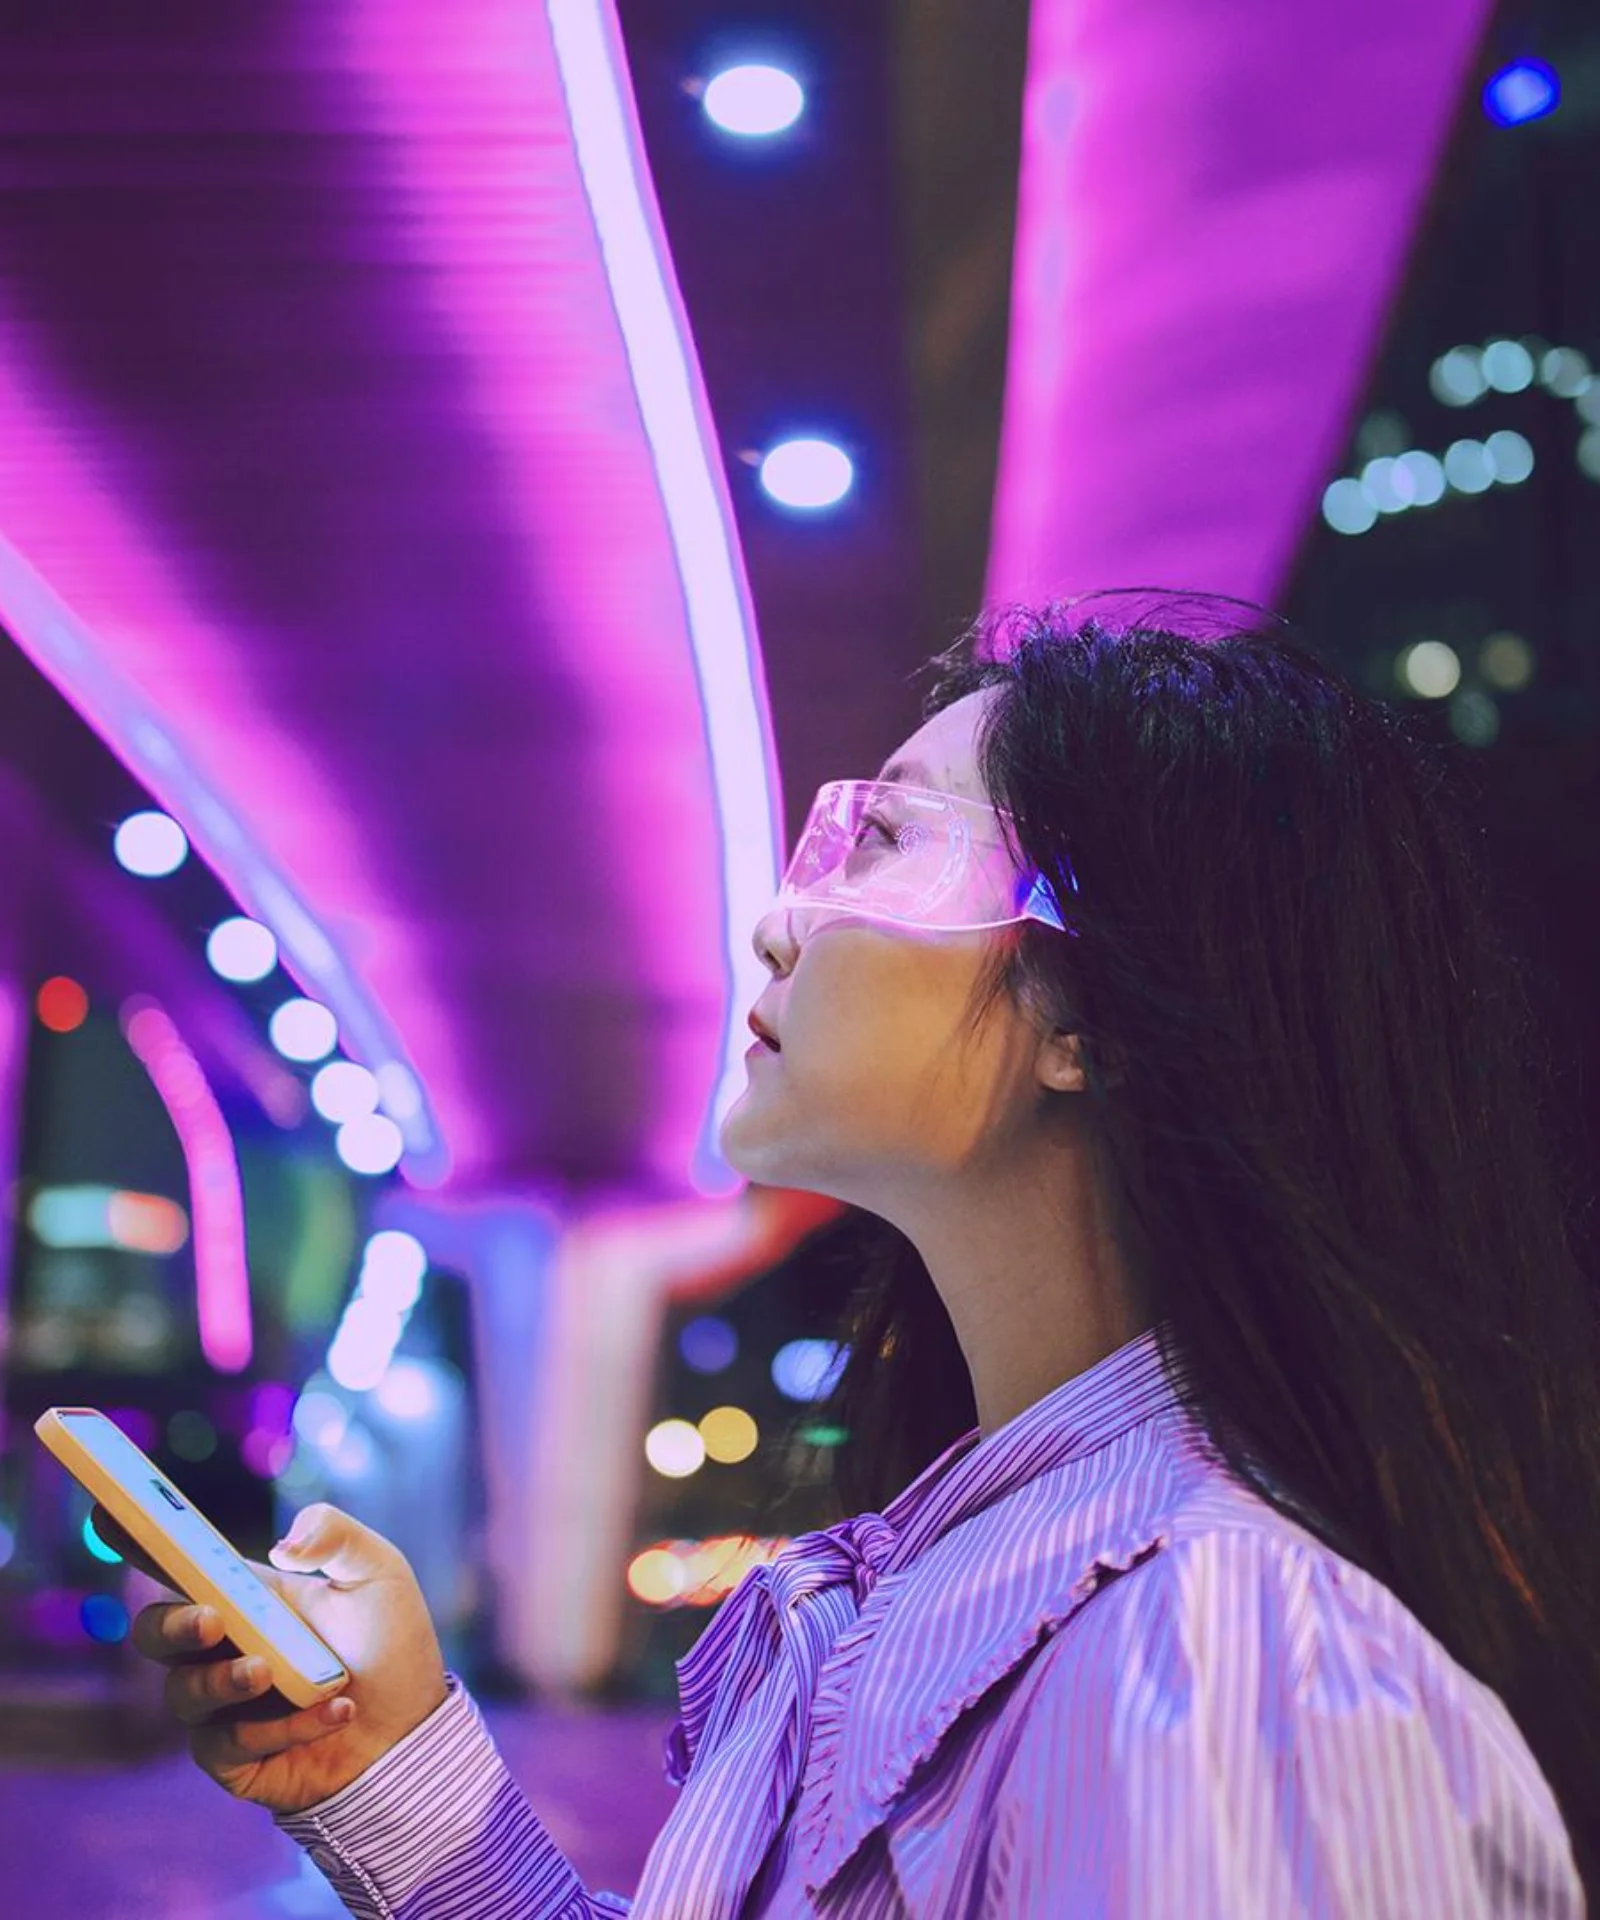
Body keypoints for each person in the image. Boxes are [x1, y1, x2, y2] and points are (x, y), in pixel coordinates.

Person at [114, 591, 1597, 1916]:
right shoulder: (1019, 1581)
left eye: (876, 839)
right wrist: (388, 1756)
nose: (776, 926)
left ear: (1088, 1012)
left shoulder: (1219, 1660)